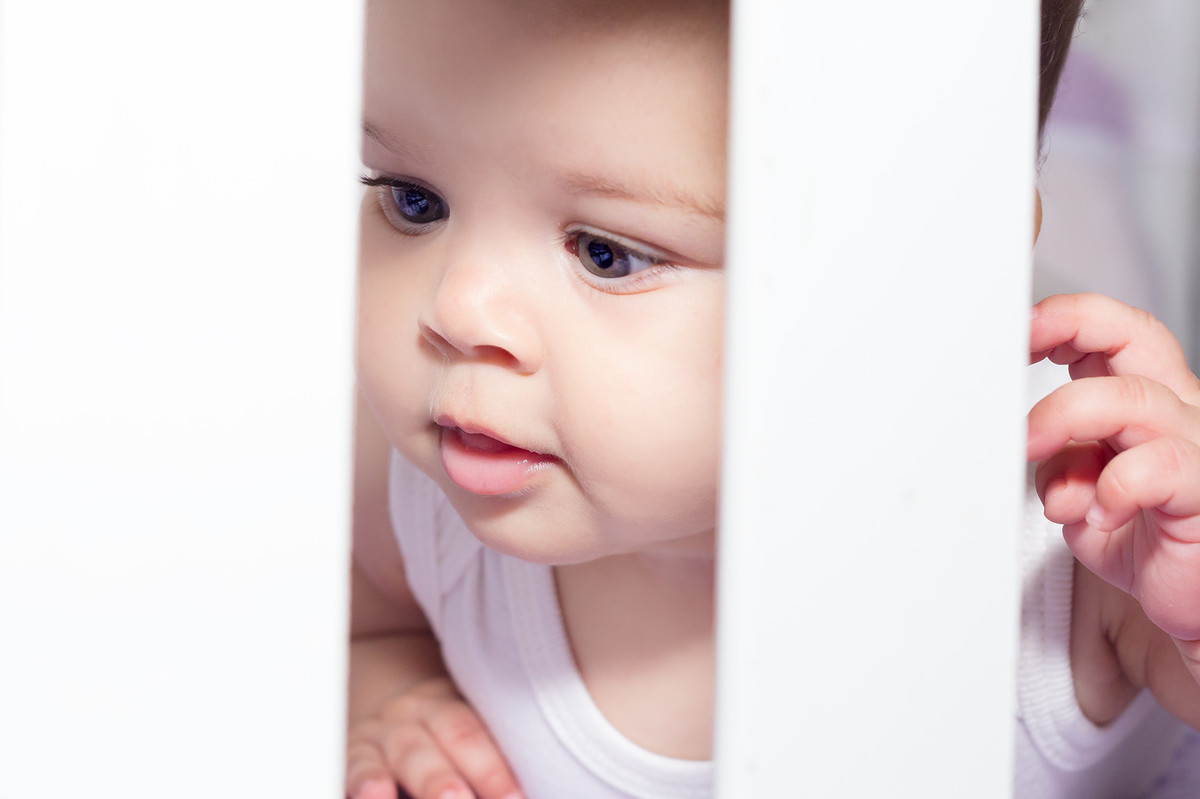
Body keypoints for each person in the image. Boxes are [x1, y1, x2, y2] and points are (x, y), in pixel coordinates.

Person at [344, 1, 1200, 797]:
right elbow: (364, 615)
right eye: (414, 200)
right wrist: (389, 686)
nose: (456, 309)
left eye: (607, 253)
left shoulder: (1077, 527)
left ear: (935, 258)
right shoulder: (419, 472)